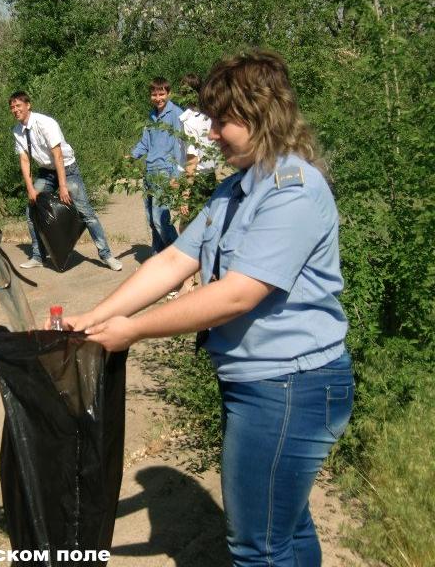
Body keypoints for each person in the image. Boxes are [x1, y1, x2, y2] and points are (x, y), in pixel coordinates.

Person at [64, 50, 354, 567]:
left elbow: (235, 295)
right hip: (263, 383)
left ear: (262, 115)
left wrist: (131, 330)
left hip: (290, 387)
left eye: (223, 121)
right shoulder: (237, 189)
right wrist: (96, 317)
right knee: (285, 527)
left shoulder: (293, 190)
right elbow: (174, 259)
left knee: (258, 546)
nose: (213, 133)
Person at [8, 91, 122, 271]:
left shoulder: (45, 123)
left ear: (28, 105)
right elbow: (24, 160)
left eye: (18, 105)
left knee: (86, 213)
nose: (15, 110)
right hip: (46, 171)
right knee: (31, 212)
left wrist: (63, 186)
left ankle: (106, 255)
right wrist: (30, 188)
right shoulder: (17, 131)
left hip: (67, 169)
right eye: (12, 107)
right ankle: (38, 256)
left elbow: (58, 155)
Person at [128, 77, 186, 255]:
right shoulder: (151, 116)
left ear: (168, 94)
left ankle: (179, 257)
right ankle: (158, 257)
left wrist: (177, 175)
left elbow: (180, 146)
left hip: (165, 172)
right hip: (150, 172)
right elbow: (145, 143)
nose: (158, 98)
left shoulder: (176, 114)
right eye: (154, 94)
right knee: (152, 221)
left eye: (161, 94)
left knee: (161, 219)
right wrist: (130, 156)